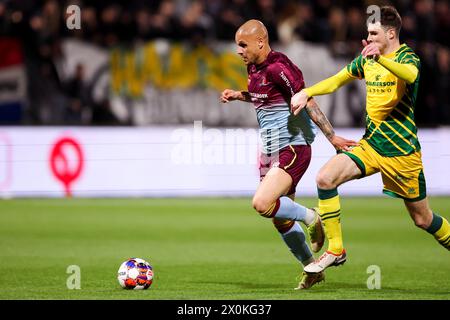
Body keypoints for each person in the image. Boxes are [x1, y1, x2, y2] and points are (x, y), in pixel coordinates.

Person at [290, 6, 450, 274]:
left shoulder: (408, 57)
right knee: (325, 178)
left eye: (374, 33)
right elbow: (336, 81)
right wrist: (306, 92)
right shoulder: (366, 60)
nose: (370, 38)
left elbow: (410, 75)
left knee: (423, 219)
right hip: (371, 146)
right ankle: (336, 249)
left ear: (390, 33)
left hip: (402, 154)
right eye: (368, 33)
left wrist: (381, 60)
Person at [220, 19, 357, 289]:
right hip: (269, 149)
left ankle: (313, 217)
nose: (238, 50)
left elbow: (307, 99)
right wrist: (240, 95)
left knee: (262, 203)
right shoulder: (254, 67)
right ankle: (311, 267)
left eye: (242, 44)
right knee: (280, 218)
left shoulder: (279, 67)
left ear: (261, 41)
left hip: (292, 146)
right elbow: (263, 96)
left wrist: (332, 138)